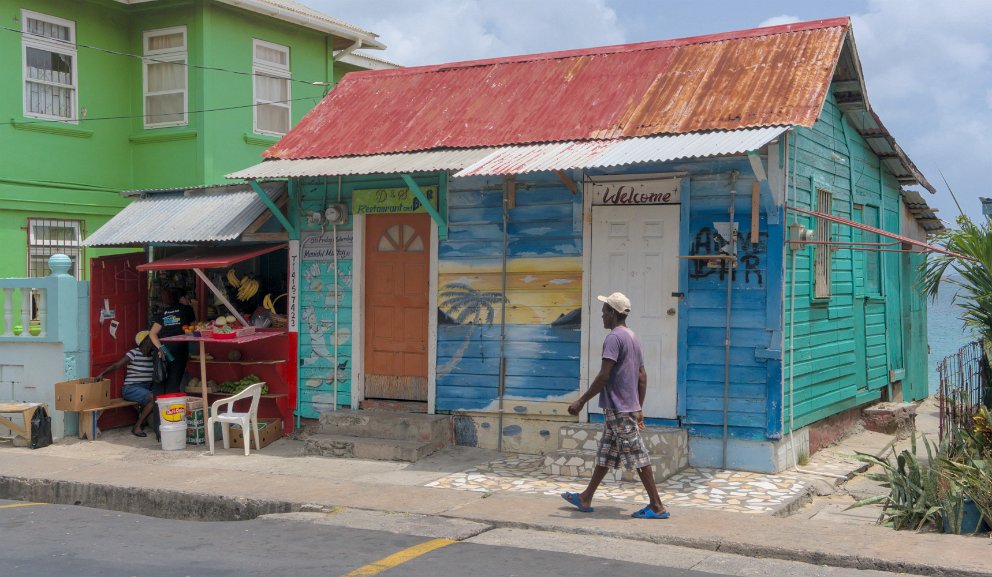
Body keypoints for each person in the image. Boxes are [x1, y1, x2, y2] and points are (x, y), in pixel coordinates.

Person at [561, 292, 670, 519]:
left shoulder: (613, 338)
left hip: (619, 409)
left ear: (612, 313)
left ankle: (657, 506)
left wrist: (581, 401)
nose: (601, 316)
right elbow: (642, 375)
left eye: (604, 312)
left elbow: (604, 376)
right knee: (607, 454)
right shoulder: (633, 337)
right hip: (622, 408)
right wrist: (639, 406)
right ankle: (585, 498)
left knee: (638, 456)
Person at [97, 331, 158, 438]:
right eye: (150, 340)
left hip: (146, 388)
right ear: (143, 342)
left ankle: (146, 422)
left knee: (161, 396)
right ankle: (137, 426)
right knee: (153, 398)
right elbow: (117, 365)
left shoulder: (153, 355)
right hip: (131, 388)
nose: (153, 342)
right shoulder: (134, 353)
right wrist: (102, 373)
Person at [149, 287, 195, 394]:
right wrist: (192, 305)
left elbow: (152, 333)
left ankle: (158, 410)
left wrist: (161, 348)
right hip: (178, 350)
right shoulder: (186, 309)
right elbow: (194, 328)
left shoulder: (163, 313)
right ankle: (170, 409)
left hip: (162, 350)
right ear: (181, 298)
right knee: (173, 384)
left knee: (159, 381)